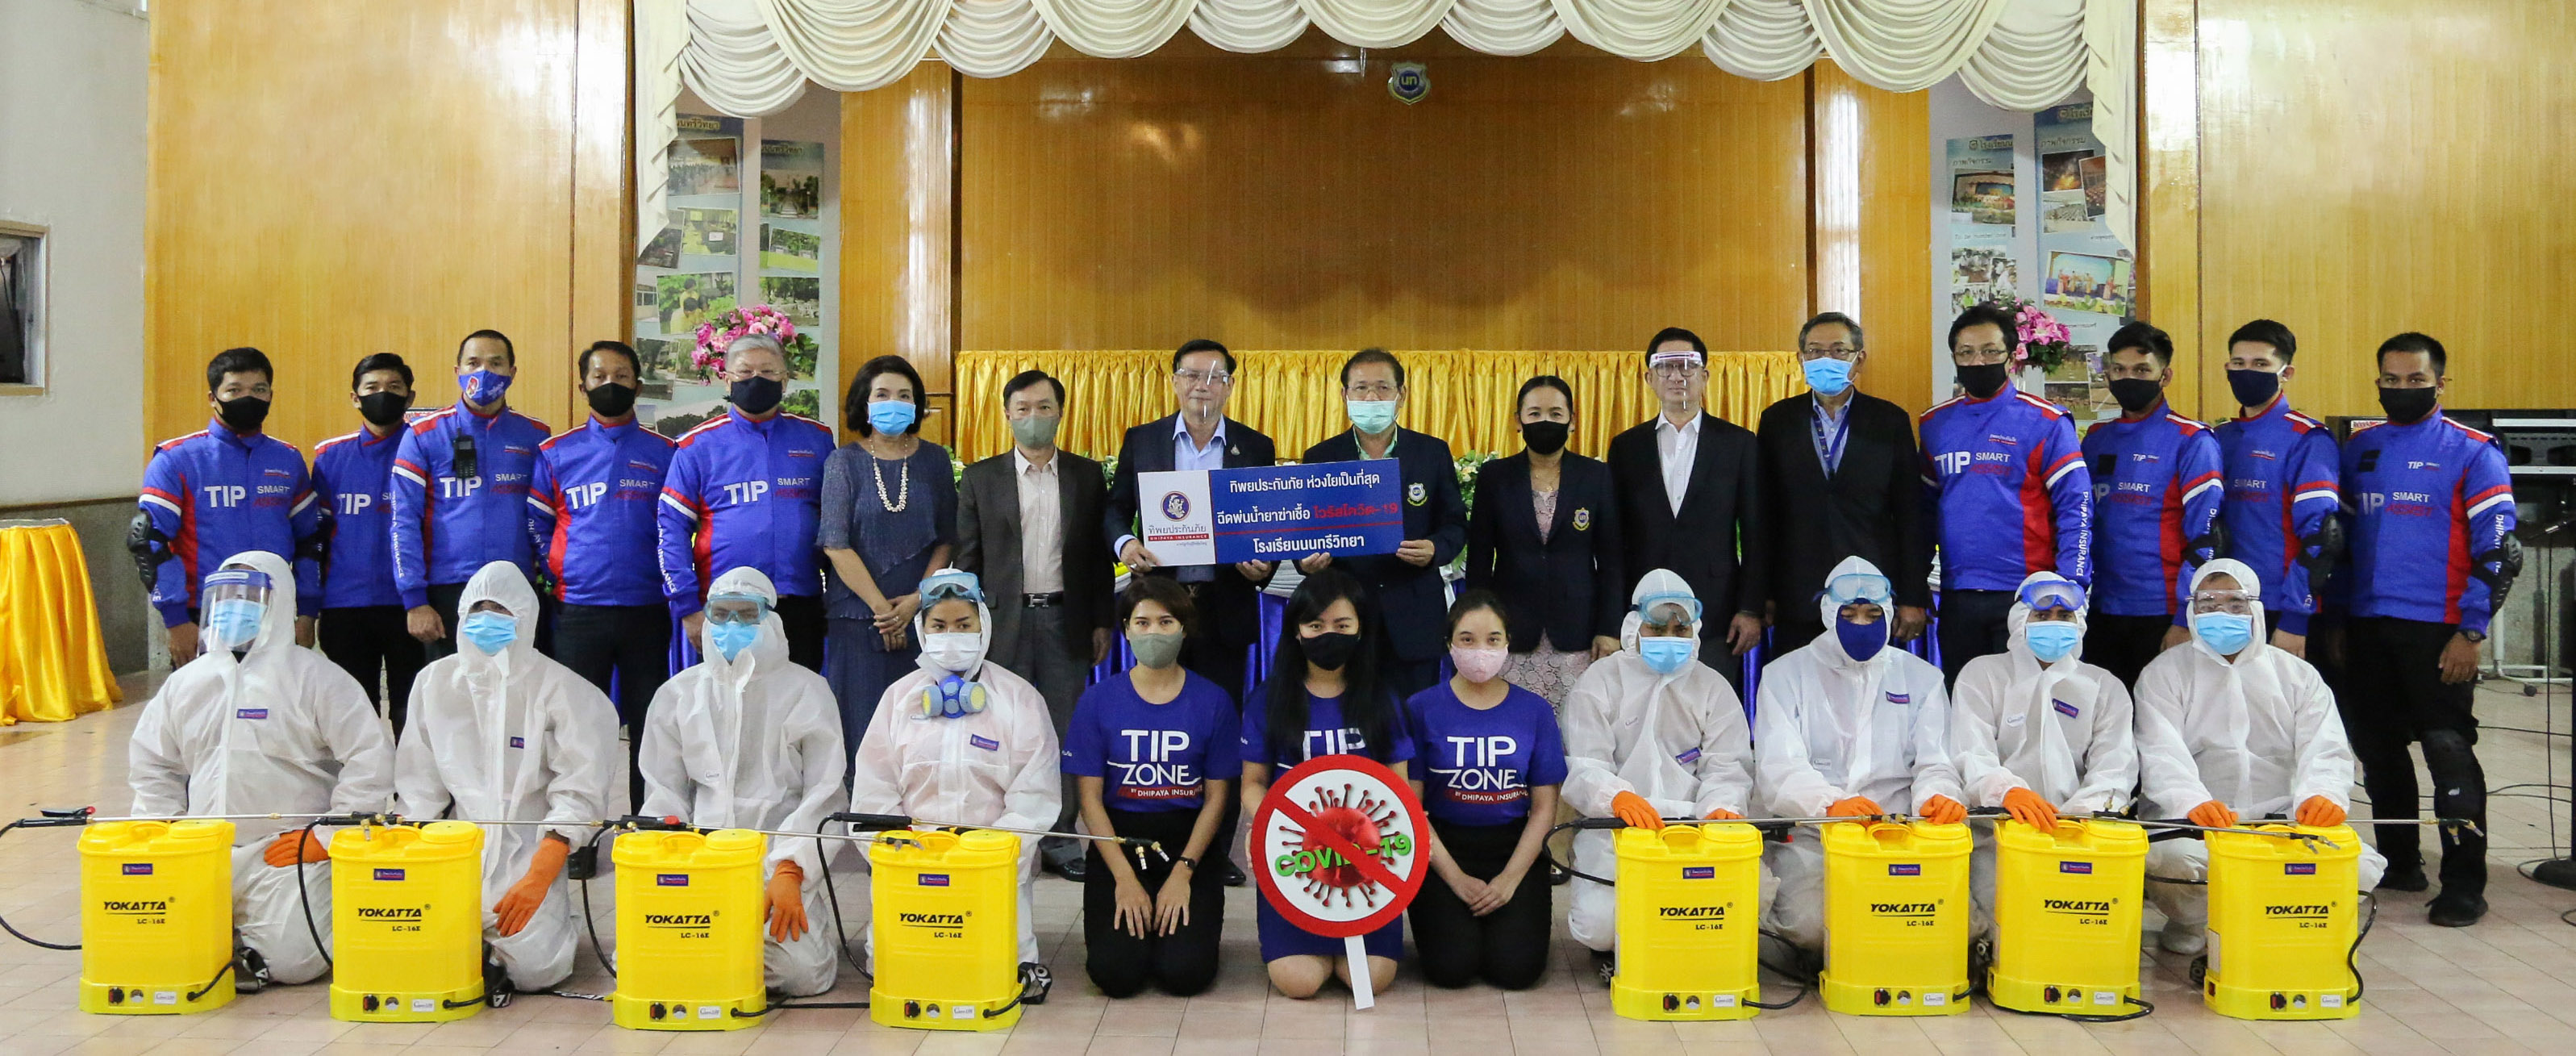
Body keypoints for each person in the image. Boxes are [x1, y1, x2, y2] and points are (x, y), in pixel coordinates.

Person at [127, 551, 394, 991]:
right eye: (226, 598)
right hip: (203, 848)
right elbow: (153, 763)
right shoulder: (187, 682)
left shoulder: (317, 679)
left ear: (279, 602)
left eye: (248, 598)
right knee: (152, 942)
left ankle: (247, 941)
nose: (234, 609)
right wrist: (162, 832)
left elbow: (370, 757)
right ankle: (233, 941)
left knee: (298, 960)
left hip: (285, 849)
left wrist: (328, 836)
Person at [2337, 332, 2512, 926]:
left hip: (2439, 631)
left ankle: (2464, 884)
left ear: (2441, 383)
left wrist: (2472, 631)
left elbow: (2498, 551)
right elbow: (2340, 541)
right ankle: (2400, 862)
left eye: (2416, 380)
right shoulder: (2360, 447)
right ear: (2378, 382)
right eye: (2391, 380)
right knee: (2379, 749)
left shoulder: (2474, 451)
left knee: (2447, 748)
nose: (2402, 389)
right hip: (2366, 626)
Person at [2133, 559, 2384, 952]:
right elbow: (2160, 752)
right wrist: (2191, 802)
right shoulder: (2165, 673)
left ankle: (2276, 921)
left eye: (2235, 604)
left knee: (2360, 868)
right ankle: (2195, 925)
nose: (2221, 614)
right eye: (2208, 604)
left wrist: (2323, 795)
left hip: (2282, 819)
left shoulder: (2298, 676)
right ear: (2192, 609)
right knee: (2174, 861)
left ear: (2256, 608)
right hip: (2196, 824)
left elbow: (2326, 747)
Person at [394, 560, 618, 1000]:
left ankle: (552, 922)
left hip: (529, 853)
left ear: (526, 618)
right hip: (454, 851)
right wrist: (411, 861)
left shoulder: (565, 691)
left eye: (500, 610)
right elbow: (419, 786)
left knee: (536, 969)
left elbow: (580, 789)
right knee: (408, 950)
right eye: (478, 609)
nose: (487, 620)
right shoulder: (435, 683)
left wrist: (541, 873)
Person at [1105, 339, 1278, 886]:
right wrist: (1126, 543)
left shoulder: (1256, 445)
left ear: (1231, 386)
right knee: (1157, 725)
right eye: (1193, 374)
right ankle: (1155, 838)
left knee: (1218, 728)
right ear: (1175, 381)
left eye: (1216, 376)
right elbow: (1114, 508)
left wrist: (1264, 562)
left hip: (1224, 608)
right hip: (1162, 609)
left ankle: (1215, 850)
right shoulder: (1144, 439)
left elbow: (1268, 522)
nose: (1204, 385)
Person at [848, 570, 1061, 1004]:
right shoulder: (898, 699)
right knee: (901, 974)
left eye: (964, 625)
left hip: (992, 872)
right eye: (939, 626)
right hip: (911, 871)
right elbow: (873, 793)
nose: (952, 636)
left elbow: (1035, 795)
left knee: (996, 970)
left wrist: (985, 858)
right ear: (922, 630)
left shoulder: (1018, 698)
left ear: (984, 625)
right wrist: (903, 855)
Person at [636, 566, 847, 997]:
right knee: (645, 964)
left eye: (747, 614)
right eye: (721, 614)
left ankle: (775, 935)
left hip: (776, 865)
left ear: (771, 620)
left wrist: (790, 869)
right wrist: (672, 867)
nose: (732, 625)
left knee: (802, 975)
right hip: (700, 866)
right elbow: (663, 794)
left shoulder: (807, 691)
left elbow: (825, 795)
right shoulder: (678, 694)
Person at [1753, 557, 1964, 958]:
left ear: (1889, 613)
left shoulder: (1922, 678)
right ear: (1828, 613)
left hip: (1900, 831)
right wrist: (1830, 804)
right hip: (1815, 832)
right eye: (1849, 615)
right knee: (1812, 928)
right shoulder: (1785, 674)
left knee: (1944, 921)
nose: (1862, 625)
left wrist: (1936, 796)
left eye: (1873, 615)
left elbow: (1935, 762)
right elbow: (1779, 766)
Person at [1560, 569, 1755, 979]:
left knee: (1737, 913)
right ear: (1635, 626)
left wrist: (1721, 807)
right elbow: (1583, 766)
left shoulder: (1713, 687)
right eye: (1657, 627)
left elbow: (1729, 766)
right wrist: (1616, 796)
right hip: (1617, 830)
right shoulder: (1600, 681)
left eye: (1680, 628)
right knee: (1598, 926)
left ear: (1694, 630)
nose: (1670, 636)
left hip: (1695, 831)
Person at [957, 369, 1112, 881]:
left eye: (1043, 407)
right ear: (1007, 415)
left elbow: (1097, 560)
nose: (1033, 417)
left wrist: (1101, 621)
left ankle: (1061, 838)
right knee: (1001, 728)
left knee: (1061, 731)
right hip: (1003, 623)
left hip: (1067, 619)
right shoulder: (980, 478)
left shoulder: (1087, 477)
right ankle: (1002, 832)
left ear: (1060, 413)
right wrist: (968, 629)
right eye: (1022, 408)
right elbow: (968, 559)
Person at [1239, 568, 1411, 999]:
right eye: (1315, 625)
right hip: (1295, 853)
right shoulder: (1268, 699)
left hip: (1369, 857)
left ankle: (1348, 945)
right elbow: (1252, 784)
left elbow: (1400, 789)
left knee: (1371, 979)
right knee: (1299, 982)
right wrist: (1270, 829)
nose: (1328, 635)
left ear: (1360, 629)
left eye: (1342, 625)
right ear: (1296, 631)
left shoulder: (1383, 699)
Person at [1064, 577, 1237, 998]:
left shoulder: (1214, 701)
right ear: (1126, 629)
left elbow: (1217, 799)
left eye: (1166, 622)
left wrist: (1184, 871)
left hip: (1188, 843)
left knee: (1185, 975)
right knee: (1116, 976)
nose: (1154, 632)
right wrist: (1123, 878)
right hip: (1119, 841)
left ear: (1184, 629)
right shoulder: (1097, 700)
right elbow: (1089, 800)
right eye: (1142, 623)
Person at [1948, 572, 2136, 943]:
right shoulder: (1983, 674)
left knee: (2076, 931)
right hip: (1996, 832)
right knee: (2008, 928)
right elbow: (1970, 751)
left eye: (2064, 616)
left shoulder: (2104, 686)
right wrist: (2007, 791)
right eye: (2042, 615)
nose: (2054, 624)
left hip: (2079, 834)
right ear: (2020, 619)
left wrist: (2078, 820)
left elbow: (2115, 768)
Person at [529, 340, 676, 812]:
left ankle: (648, 827)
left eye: (622, 376)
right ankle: (575, 831)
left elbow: (678, 527)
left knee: (650, 728)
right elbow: (537, 525)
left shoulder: (666, 452)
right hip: (577, 612)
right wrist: (557, 574)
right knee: (577, 730)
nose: (611, 384)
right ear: (583, 386)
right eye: (600, 376)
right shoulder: (555, 452)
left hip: (647, 609)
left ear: (638, 385)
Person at [1919, 304, 2093, 684]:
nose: (1978, 362)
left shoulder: (2047, 421)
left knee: (2030, 702)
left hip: (2029, 594)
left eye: (1990, 351)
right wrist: (1914, 586)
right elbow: (1923, 513)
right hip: (1957, 593)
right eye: (1966, 353)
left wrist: (2071, 584)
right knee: (1964, 699)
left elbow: (2076, 506)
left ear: (2012, 356)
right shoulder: (1934, 424)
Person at [1403, 591, 1564, 991]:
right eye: (1468, 639)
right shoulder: (1420, 708)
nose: (1481, 650)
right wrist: (1456, 878)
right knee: (1451, 969)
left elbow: (1544, 810)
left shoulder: (1535, 711)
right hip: (1442, 848)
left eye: (1493, 639)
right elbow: (1410, 807)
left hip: (1514, 848)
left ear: (1508, 643)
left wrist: (1509, 879)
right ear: (1449, 644)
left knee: (1516, 971)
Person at [1753, 312, 1932, 653]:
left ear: (1859, 359)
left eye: (1838, 351)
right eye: (1815, 351)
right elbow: (1765, 515)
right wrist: (1762, 593)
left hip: (1872, 594)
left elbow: (1910, 514)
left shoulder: (1890, 421)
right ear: (1801, 359)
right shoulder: (1777, 421)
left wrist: (1912, 595)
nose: (1826, 359)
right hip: (1798, 593)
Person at [1298, 349, 1469, 699]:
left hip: (1414, 614)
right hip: (1344, 616)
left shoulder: (1431, 452)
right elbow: (1304, 533)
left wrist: (1435, 549)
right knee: (1349, 716)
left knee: (1411, 717)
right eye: (1361, 388)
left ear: (1401, 395)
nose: (1372, 398)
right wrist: (1306, 562)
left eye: (1382, 387)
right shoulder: (1321, 457)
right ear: (1345, 395)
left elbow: (1454, 524)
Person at [134, 347, 323, 666]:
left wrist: (307, 613)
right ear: (213, 397)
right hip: (202, 614)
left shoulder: (288, 459)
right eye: (234, 390)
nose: (248, 398)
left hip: (274, 612)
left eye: (258, 390)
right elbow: (148, 540)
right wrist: (176, 620)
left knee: (273, 698)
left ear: (271, 395)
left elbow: (310, 540)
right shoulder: (176, 459)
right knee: (207, 699)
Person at [660, 334, 836, 670]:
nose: (756, 380)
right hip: (728, 608)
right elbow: (671, 528)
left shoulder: (817, 439)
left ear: (785, 380)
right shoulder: (697, 445)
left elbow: (835, 522)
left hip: (801, 602)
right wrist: (687, 606)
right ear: (727, 380)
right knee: (730, 699)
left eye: (768, 372)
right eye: (745, 372)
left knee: (800, 697)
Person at [1607, 328, 1765, 685]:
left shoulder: (1738, 444)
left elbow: (1757, 532)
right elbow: (1614, 540)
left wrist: (1749, 608)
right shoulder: (1626, 447)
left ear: (1704, 376)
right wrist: (1613, 615)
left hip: (1716, 613)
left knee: (1709, 708)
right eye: (1665, 367)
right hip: (1642, 612)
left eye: (1687, 366)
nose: (1677, 376)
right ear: (1649, 378)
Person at [818, 353, 957, 745]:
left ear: (916, 404)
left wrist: (917, 601)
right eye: (882, 394)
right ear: (864, 402)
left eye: (904, 395)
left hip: (925, 616)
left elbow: (948, 538)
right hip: (857, 615)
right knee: (862, 731)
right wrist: (884, 612)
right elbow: (835, 545)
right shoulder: (842, 462)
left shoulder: (935, 460)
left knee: (922, 729)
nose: (893, 402)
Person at [2078, 322, 2224, 687]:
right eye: (2120, 369)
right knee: (2102, 716)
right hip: (2099, 610)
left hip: (2162, 612)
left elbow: (2205, 536)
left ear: (2165, 376)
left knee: (2160, 716)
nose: (2129, 378)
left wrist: (2185, 617)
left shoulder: (2192, 440)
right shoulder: (2096, 439)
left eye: (2142, 370)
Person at [1463, 374, 1623, 705]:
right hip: (1510, 631)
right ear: (1518, 420)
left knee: (1578, 725)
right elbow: (1479, 559)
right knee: (1515, 722)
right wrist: (1479, 627)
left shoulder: (1596, 476)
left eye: (1555, 413)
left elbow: (1612, 561)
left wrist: (1610, 629)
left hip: (1579, 633)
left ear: (1572, 421)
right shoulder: (1495, 477)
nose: (1545, 421)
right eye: (1534, 413)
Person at [393, 330, 552, 658]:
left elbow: (547, 517)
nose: (484, 371)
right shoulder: (423, 434)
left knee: (517, 685)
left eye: (496, 363)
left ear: (512, 373)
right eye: (474, 363)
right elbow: (403, 521)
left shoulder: (536, 434)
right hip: (448, 590)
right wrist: (415, 600)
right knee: (454, 688)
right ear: (458, 371)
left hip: (517, 587)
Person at [312, 352, 426, 732]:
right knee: (353, 716)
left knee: (412, 714)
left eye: (394, 387)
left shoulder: (428, 449)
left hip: (411, 606)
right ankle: (361, 775)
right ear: (355, 397)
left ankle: (413, 775)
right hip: (345, 606)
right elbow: (316, 536)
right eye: (372, 387)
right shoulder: (329, 456)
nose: (383, 394)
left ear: (410, 397)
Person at [2213, 319, 2339, 657]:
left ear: (2286, 373)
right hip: (2223, 606)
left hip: (2282, 610)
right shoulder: (2219, 438)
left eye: (2260, 364)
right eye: (2238, 363)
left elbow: (2321, 536)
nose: (2247, 372)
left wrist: (2295, 619)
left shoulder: (2308, 439)